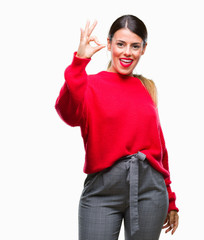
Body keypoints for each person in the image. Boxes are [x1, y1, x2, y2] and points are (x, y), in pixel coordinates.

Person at [55, 15, 179, 240]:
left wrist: (170, 198)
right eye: (120, 44)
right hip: (102, 191)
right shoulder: (89, 85)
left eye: (135, 46)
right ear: (109, 44)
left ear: (143, 49)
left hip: (150, 191)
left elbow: (159, 149)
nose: (127, 52)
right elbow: (68, 114)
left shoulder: (146, 87)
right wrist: (79, 62)